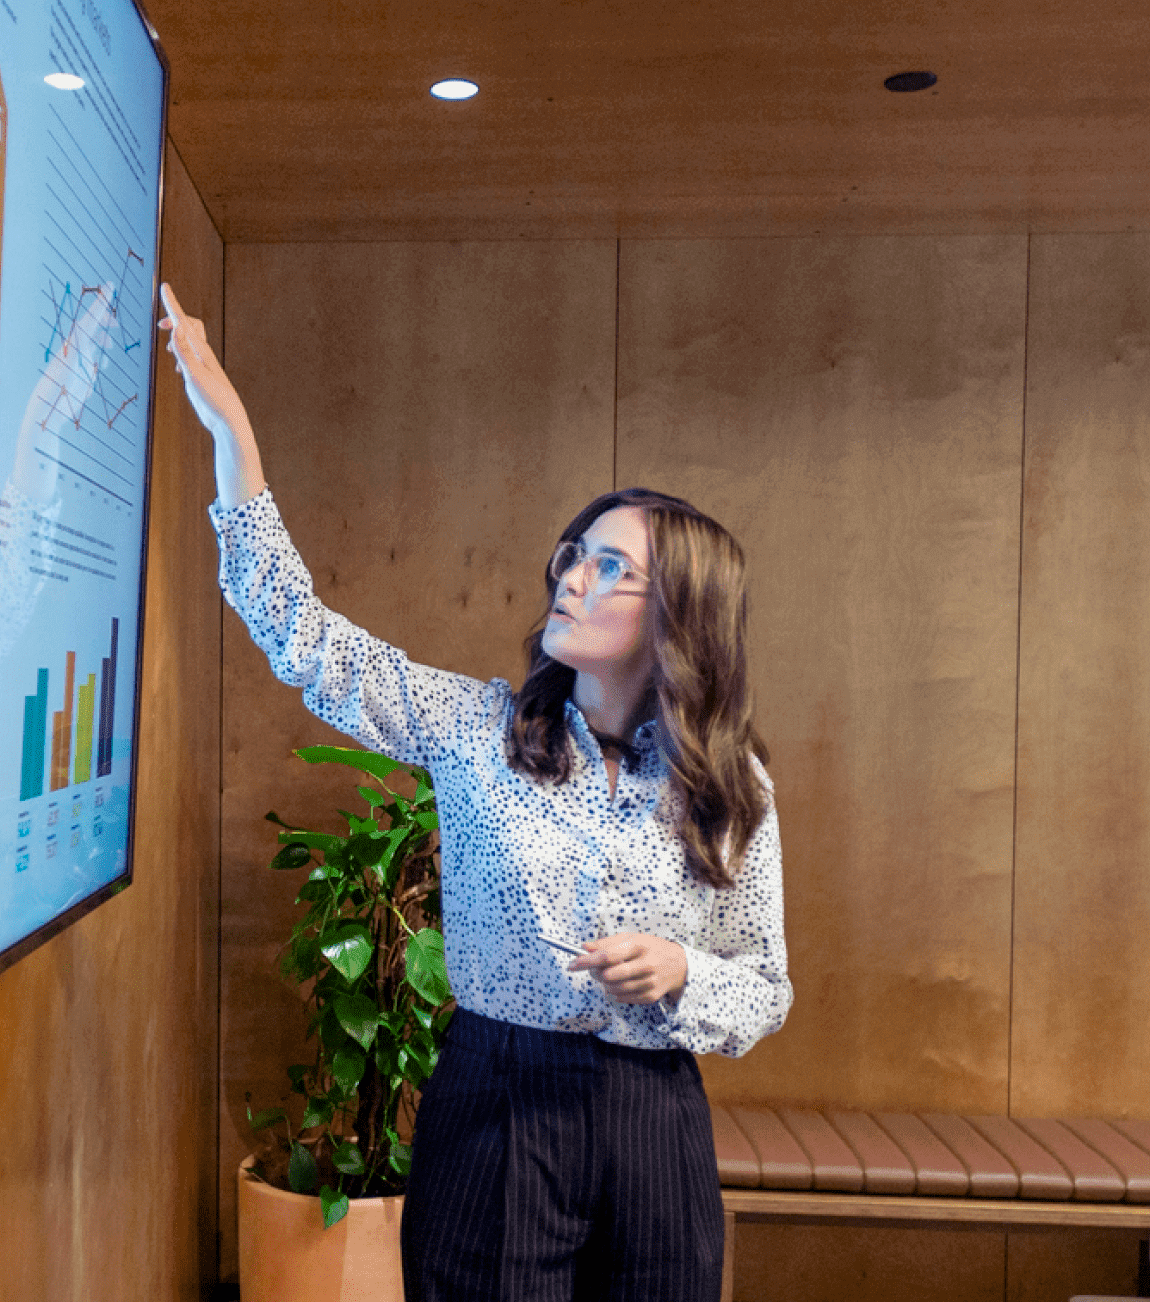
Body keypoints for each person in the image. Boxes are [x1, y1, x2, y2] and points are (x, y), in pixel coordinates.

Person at [157, 283, 789, 1302]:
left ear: (681, 613)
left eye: (611, 564)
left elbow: (763, 982)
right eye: (576, 552)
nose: (573, 575)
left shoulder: (731, 781)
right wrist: (233, 434)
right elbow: (303, 635)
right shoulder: (476, 727)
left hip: (658, 1118)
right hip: (497, 1102)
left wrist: (682, 967)